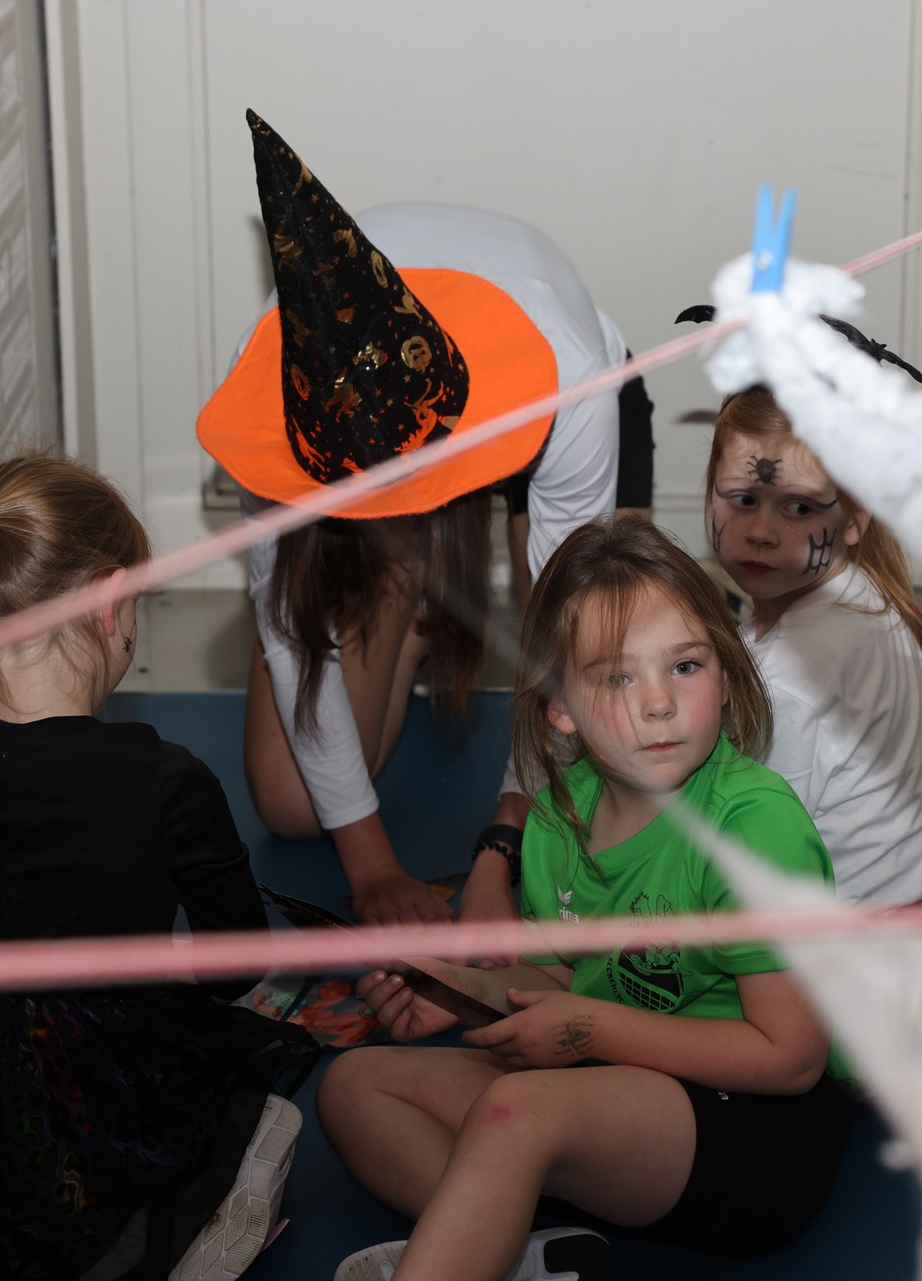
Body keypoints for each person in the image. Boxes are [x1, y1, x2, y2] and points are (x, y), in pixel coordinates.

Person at [321, 518, 853, 1281]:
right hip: (608, 1083)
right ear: (560, 706)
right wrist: (460, 989)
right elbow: (566, 974)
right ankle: (519, 1252)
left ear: (727, 670)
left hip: (757, 1125)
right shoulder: (554, 818)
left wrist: (587, 1028)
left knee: (517, 1112)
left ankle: (483, 1228)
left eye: (685, 665)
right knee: (354, 1085)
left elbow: (794, 1058)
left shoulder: (753, 826)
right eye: (616, 678)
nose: (659, 703)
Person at [0, 455, 318, 1280]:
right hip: (86, 1089)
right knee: (254, 1090)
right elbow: (234, 965)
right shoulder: (164, 781)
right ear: (107, 600)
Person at [198, 111, 653, 928]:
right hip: (394, 443)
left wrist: (504, 844)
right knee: (294, 802)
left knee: (606, 681)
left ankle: (432, 574)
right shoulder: (263, 399)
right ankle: (418, 601)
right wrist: (372, 867)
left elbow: (569, 630)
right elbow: (286, 630)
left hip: (544, 393)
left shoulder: (573, 381)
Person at [682, 308, 922, 906]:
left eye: (798, 508)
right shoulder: (861, 591)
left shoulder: (790, 678)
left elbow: (763, 858)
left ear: (855, 517)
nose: (761, 532)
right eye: (742, 499)